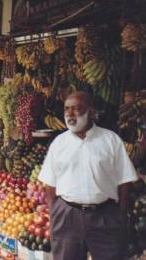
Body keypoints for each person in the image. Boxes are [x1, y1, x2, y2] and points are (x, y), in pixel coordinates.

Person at [38, 91, 138, 260]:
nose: (69, 114)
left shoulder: (111, 140)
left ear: (91, 112)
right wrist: (56, 211)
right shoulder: (59, 143)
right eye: (66, 109)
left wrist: (119, 213)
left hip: (104, 216)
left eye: (76, 109)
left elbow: (125, 181)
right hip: (67, 216)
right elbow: (49, 184)